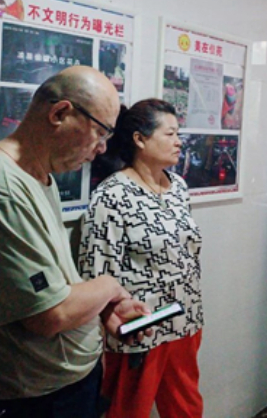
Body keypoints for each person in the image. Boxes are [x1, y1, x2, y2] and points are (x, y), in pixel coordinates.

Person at [0, 66, 150, 418]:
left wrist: (103, 310)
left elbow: (54, 285)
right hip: (29, 399)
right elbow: (49, 314)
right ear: (59, 113)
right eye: (100, 132)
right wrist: (110, 287)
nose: (101, 149)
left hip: (66, 385)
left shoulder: (41, 178)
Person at [79, 99, 204, 418]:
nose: (179, 142)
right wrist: (112, 320)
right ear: (140, 139)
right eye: (170, 134)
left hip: (185, 319)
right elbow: (95, 271)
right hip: (141, 326)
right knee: (128, 409)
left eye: (178, 134)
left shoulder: (178, 187)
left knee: (187, 407)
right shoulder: (112, 195)